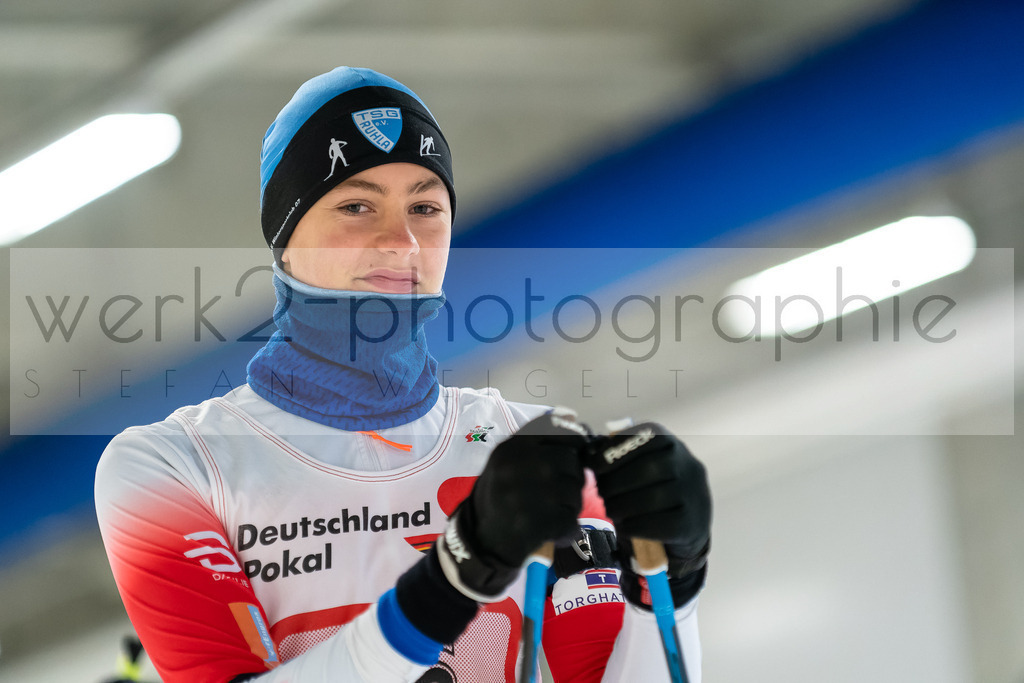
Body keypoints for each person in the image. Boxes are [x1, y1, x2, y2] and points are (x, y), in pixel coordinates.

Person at [95, 66, 712, 683]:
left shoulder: (530, 447)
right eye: (357, 206)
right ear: (283, 239)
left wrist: (673, 584)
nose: (402, 243)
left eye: (425, 207)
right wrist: (456, 573)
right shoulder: (173, 466)